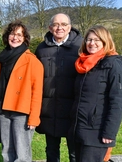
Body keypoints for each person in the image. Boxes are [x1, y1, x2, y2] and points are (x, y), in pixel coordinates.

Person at [69, 25, 122, 162]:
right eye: (89, 40)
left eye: (97, 40)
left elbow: (118, 101)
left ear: (105, 42)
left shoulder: (113, 65)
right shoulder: (83, 64)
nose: (92, 43)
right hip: (78, 129)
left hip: (97, 132)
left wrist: (109, 132)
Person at [0, 20, 44, 162]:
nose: (15, 37)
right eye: (12, 34)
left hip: (22, 112)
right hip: (3, 110)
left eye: (19, 35)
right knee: (6, 151)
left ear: (25, 38)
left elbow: (37, 92)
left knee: (22, 155)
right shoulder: (1, 58)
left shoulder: (32, 61)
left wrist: (34, 117)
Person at [35, 13, 82, 162]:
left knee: (74, 153)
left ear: (69, 27)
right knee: (51, 151)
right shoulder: (41, 49)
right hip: (50, 109)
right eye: (55, 24)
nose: (59, 27)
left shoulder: (80, 47)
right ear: (50, 28)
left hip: (72, 109)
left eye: (63, 24)